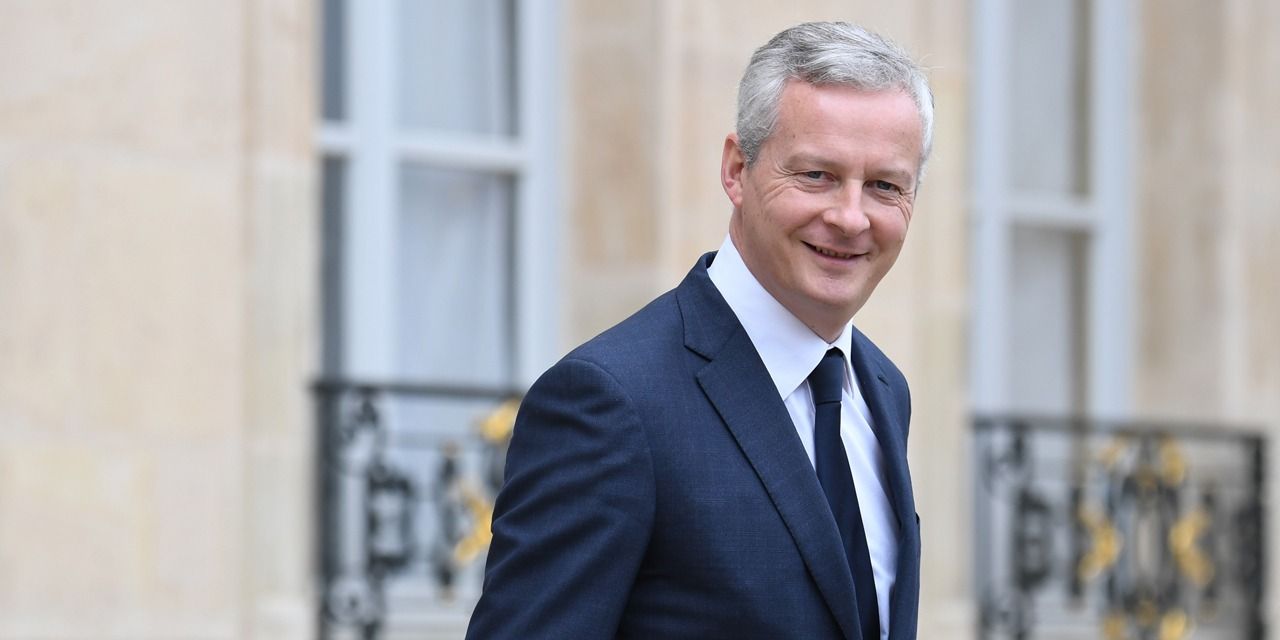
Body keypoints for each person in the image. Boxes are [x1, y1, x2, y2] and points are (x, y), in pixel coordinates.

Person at [467, 21, 932, 640]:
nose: (851, 217)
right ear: (737, 170)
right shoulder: (611, 402)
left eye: (884, 186)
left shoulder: (883, 389)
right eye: (816, 175)